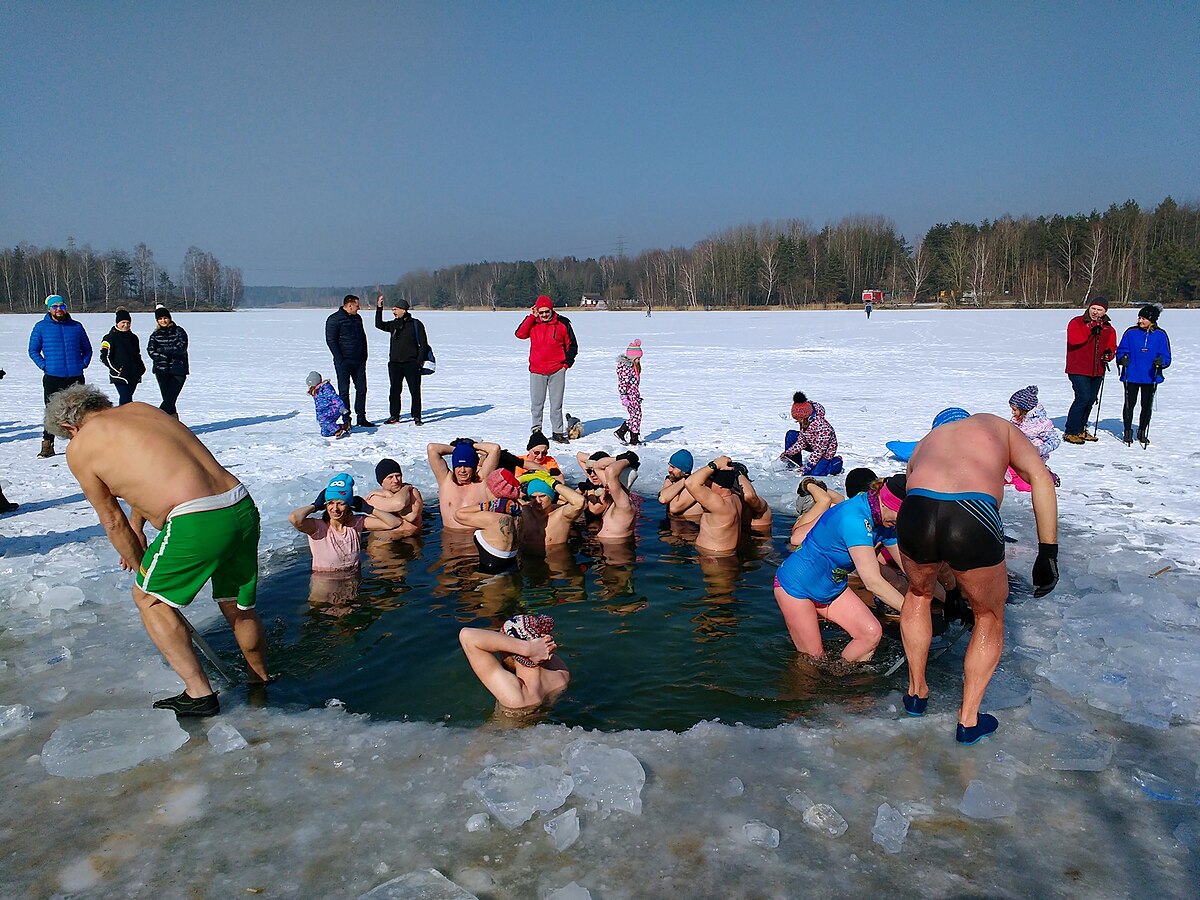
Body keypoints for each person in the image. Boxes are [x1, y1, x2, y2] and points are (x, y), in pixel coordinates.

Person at [46, 384, 269, 717]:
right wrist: (139, 526)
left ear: (69, 427)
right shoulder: (142, 409)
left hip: (196, 519)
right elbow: (155, 470)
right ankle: (260, 678)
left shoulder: (80, 447)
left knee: (149, 598)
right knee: (236, 603)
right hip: (239, 505)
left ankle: (199, 694)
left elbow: (111, 521)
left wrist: (140, 568)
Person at [897, 413, 1059, 744]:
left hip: (916, 511)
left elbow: (914, 486)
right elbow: (1040, 478)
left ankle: (916, 694)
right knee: (988, 615)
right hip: (972, 511)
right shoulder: (999, 427)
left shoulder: (929, 441)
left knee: (918, 594)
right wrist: (1048, 553)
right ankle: (969, 720)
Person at [774, 475, 909, 662]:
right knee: (814, 659)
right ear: (887, 503)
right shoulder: (855, 519)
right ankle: (807, 689)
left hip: (832, 589)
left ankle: (844, 682)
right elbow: (873, 582)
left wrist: (948, 595)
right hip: (796, 588)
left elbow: (910, 568)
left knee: (870, 634)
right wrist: (913, 613)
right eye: (902, 515)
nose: (902, 522)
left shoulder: (885, 520)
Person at [288, 473, 408, 571]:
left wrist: (369, 509)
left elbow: (394, 523)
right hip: (324, 582)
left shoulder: (356, 524)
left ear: (349, 505)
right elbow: (294, 518)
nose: (335, 508)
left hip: (353, 578)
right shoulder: (318, 527)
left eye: (340, 503)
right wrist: (315, 506)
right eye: (330, 503)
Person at [458, 614, 569, 710]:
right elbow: (544, 650)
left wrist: (527, 649)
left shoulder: (517, 695)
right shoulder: (561, 674)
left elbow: (467, 636)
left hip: (500, 733)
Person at [28, 294, 92, 458]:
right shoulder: (41, 327)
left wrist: (82, 363)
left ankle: (80, 444)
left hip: (75, 375)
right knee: (52, 411)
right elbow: (33, 350)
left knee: (79, 410)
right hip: (53, 376)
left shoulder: (76, 327)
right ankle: (48, 444)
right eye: (55, 306)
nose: (59, 309)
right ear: (49, 308)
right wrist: (45, 366)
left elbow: (87, 349)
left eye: (61, 306)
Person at [515, 295, 578, 443]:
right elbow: (519, 334)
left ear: (551, 309)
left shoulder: (563, 323)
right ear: (537, 311)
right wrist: (531, 317)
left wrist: (566, 364)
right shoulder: (533, 323)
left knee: (556, 405)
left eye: (546, 312)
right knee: (537, 404)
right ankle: (537, 431)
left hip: (557, 370)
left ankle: (557, 432)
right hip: (537, 370)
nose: (544, 315)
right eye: (541, 312)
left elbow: (572, 346)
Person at [1063, 297, 1116, 444]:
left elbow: (1112, 346)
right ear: (1089, 308)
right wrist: (1090, 327)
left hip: (1097, 370)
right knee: (1082, 398)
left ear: (1105, 311)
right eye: (1093, 308)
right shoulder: (1077, 322)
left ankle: (1081, 428)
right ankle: (1071, 431)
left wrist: (1109, 354)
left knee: (1091, 399)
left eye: (1100, 310)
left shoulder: (1108, 328)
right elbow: (1074, 339)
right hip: (1078, 368)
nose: (1096, 312)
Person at [1117, 304, 1171, 447]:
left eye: (1144, 319)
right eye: (1139, 318)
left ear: (1152, 320)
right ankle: (1127, 431)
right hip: (1131, 375)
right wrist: (1123, 358)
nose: (1140, 321)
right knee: (1129, 404)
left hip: (1150, 376)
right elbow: (1122, 349)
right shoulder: (1131, 333)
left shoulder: (1160, 335)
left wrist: (1162, 361)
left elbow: (1166, 356)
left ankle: (1142, 431)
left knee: (1146, 406)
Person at [453, 468, 523, 574]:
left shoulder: (491, 518)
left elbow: (458, 515)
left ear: (492, 490)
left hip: (491, 574)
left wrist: (488, 506)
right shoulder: (519, 514)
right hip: (513, 568)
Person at [374, 296, 430, 426]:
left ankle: (416, 416)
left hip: (411, 364)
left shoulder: (416, 324)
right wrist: (379, 308)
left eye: (396, 309)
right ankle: (394, 415)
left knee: (415, 391)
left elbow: (423, 344)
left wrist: (419, 361)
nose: (393, 311)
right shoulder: (394, 324)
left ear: (404, 310)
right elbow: (379, 324)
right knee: (394, 391)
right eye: (393, 309)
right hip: (394, 364)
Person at [426, 439, 502, 529]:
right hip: (450, 539)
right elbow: (432, 448)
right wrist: (458, 449)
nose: (462, 470)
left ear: (473, 468)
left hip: (476, 538)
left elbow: (495, 449)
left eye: (466, 466)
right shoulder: (445, 480)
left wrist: (471, 448)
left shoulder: (482, 480)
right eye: (458, 466)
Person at [325, 294, 373, 429]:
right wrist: (340, 359)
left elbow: (362, 338)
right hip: (344, 362)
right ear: (349, 305)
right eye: (357, 306)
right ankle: (346, 419)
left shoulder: (357, 319)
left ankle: (361, 417)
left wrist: (364, 355)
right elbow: (331, 341)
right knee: (344, 391)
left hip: (359, 361)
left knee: (362, 389)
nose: (359, 308)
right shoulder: (334, 319)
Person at [683, 456, 744, 554]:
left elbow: (690, 483)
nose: (705, 485)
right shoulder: (735, 498)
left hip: (713, 558)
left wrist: (714, 465)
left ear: (720, 486)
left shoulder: (719, 504)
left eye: (709, 482)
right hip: (723, 555)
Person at [1005, 385, 1060, 490]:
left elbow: (1054, 441)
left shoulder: (1040, 424)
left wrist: (1039, 450)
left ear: (1024, 409)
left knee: (1024, 486)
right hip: (1015, 457)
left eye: (1014, 409)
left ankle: (1049, 477)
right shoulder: (1017, 420)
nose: (1012, 412)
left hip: (1032, 460)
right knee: (1002, 477)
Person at [576, 450, 638, 541]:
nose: (606, 485)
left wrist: (627, 459)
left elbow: (608, 469)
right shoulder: (615, 501)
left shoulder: (623, 504)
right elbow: (597, 466)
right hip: (608, 546)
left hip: (614, 549)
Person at [781, 392, 843, 475]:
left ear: (806, 417)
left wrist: (808, 466)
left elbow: (819, 451)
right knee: (791, 435)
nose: (798, 421)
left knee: (815, 474)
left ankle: (836, 463)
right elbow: (801, 442)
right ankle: (795, 464)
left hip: (825, 452)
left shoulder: (823, 428)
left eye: (799, 419)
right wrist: (788, 453)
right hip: (813, 444)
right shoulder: (806, 424)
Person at [518, 476, 585, 552]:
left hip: (555, 560)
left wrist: (553, 483)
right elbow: (504, 491)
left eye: (542, 496)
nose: (538, 501)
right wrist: (521, 479)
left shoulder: (561, 515)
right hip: (528, 560)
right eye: (533, 497)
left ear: (551, 497)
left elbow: (579, 501)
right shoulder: (525, 512)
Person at [146, 307, 189, 419]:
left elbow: (181, 348)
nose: (163, 321)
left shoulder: (179, 331)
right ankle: (173, 424)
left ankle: (157, 421)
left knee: (170, 399)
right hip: (161, 371)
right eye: (160, 319)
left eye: (165, 318)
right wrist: (163, 356)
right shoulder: (155, 335)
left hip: (178, 369)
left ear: (169, 318)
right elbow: (151, 351)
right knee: (169, 400)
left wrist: (163, 350)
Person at [364, 458, 423, 536]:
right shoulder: (373, 498)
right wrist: (390, 494)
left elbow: (411, 516)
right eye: (390, 477)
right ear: (381, 482)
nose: (395, 480)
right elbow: (399, 504)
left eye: (398, 476)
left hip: (414, 538)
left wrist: (405, 488)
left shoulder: (413, 492)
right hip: (384, 541)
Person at [99, 307, 146, 405]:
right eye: (123, 323)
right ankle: (123, 418)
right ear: (117, 323)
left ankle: (124, 417)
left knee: (127, 400)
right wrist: (117, 369)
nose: (126, 325)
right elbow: (105, 357)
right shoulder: (109, 338)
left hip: (133, 374)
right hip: (120, 376)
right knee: (126, 399)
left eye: (128, 323)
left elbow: (137, 354)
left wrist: (141, 368)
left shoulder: (133, 338)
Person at [498, 431, 563, 480]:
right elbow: (515, 481)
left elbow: (561, 481)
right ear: (529, 450)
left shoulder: (550, 460)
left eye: (544, 453)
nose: (540, 456)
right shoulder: (518, 461)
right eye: (536, 453)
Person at [615, 339, 643, 445]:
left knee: (636, 416)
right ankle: (627, 434)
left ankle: (630, 436)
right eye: (638, 358)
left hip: (634, 395)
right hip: (630, 396)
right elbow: (623, 384)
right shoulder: (627, 369)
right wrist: (624, 397)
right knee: (636, 415)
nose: (639, 361)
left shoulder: (633, 367)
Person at [658, 449, 701, 518]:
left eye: (673, 467)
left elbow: (674, 508)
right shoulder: (672, 479)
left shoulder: (694, 486)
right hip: (671, 522)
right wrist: (681, 481)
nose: (669, 470)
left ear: (684, 470)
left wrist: (682, 481)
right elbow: (662, 498)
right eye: (669, 466)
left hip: (688, 525)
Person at [306, 371, 349, 438]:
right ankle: (344, 426)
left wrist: (341, 407)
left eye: (309, 385)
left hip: (334, 408)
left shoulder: (325, 389)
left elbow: (334, 397)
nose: (308, 387)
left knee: (323, 419)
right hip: (324, 411)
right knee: (324, 433)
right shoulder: (315, 392)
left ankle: (338, 430)